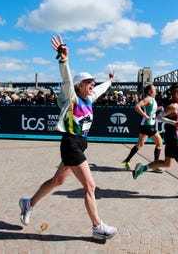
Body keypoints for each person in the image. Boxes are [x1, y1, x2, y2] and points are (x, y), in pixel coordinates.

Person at [19, 35, 117, 240]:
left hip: (80, 145)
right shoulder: (70, 98)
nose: (92, 84)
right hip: (71, 143)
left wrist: (110, 81)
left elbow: (101, 89)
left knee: (57, 181)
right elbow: (65, 80)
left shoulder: (89, 98)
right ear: (79, 85)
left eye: (92, 82)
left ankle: (28, 203)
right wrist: (64, 60)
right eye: (89, 82)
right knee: (90, 186)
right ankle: (97, 227)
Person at [132, 83, 178, 199]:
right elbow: (158, 117)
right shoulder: (173, 106)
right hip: (172, 138)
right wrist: (173, 123)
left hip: (172, 137)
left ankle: (142, 168)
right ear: (177, 95)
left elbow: (175, 118)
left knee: (166, 163)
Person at [122, 84, 164, 173]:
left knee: (140, 144)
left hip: (145, 125)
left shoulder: (152, 99)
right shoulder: (148, 98)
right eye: (154, 89)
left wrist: (158, 109)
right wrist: (144, 115)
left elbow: (150, 111)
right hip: (148, 125)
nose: (155, 91)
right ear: (149, 91)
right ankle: (155, 166)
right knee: (159, 143)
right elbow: (137, 106)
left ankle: (126, 161)